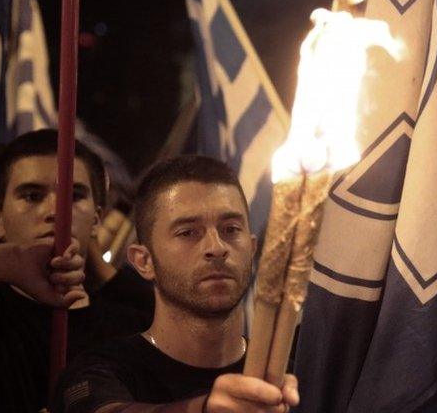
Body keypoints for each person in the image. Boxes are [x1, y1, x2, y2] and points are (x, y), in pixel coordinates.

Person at [53, 155, 299, 413]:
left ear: (252, 247)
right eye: (188, 232)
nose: (216, 247)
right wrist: (205, 410)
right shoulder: (98, 371)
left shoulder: (287, 379)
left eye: (230, 229)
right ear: (144, 261)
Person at [0, 130, 149, 413]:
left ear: (96, 219)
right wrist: (11, 261)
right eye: (32, 196)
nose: (56, 211)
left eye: (74, 195)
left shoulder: (138, 332)